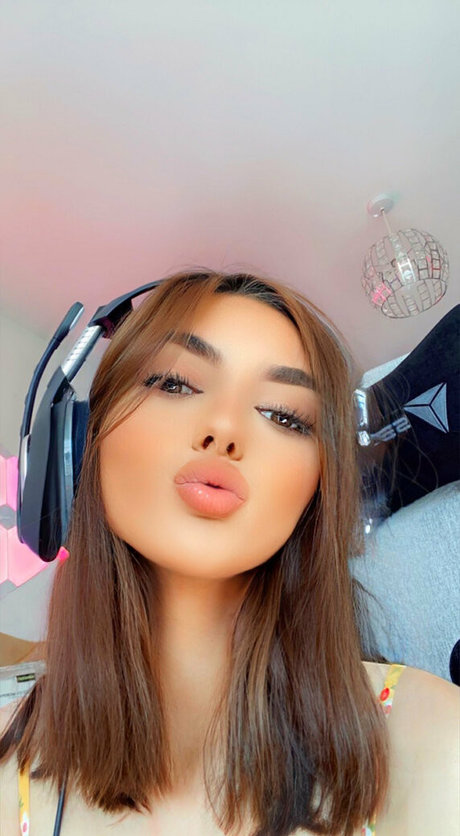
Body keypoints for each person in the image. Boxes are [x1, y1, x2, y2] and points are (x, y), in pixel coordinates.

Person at [0, 270, 458, 836]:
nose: (224, 428)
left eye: (285, 416)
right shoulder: (10, 775)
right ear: (80, 442)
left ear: (317, 493)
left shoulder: (429, 739)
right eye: (175, 383)